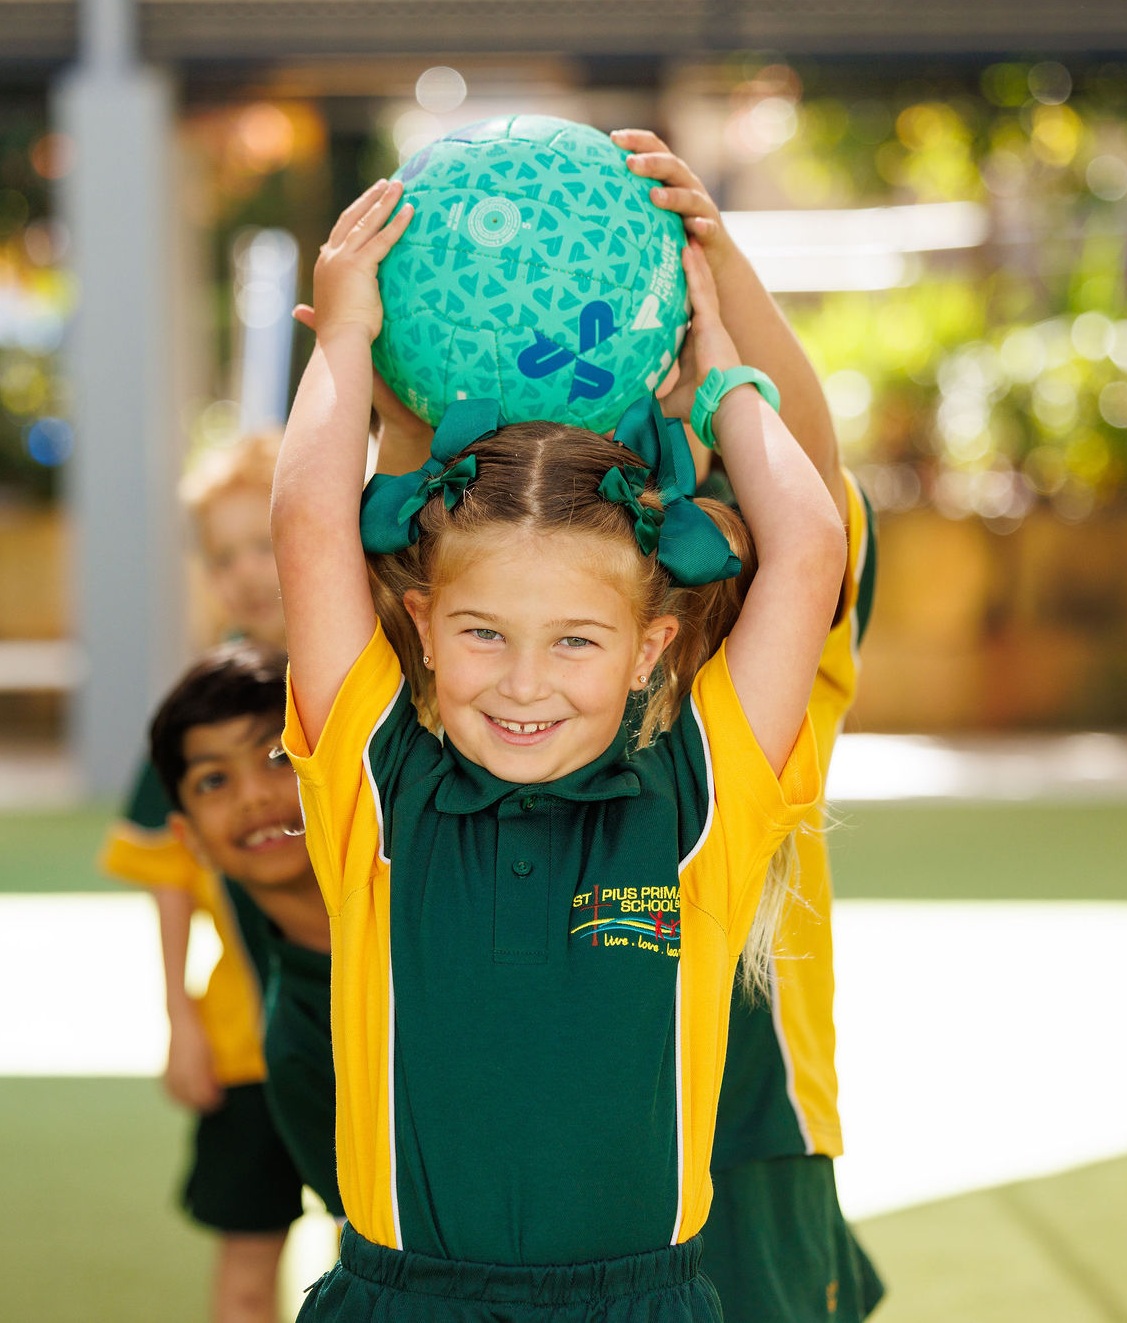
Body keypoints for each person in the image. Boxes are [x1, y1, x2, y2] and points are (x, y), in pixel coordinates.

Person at [270, 175, 845, 1321]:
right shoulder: (379, 788)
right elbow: (309, 523)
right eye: (484, 634)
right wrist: (342, 336)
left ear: (649, 651)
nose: (525, 683)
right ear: (424, 632)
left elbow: (809, 546)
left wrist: (718, 363)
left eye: (576, 640)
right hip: (401, 1302)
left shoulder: (701, 797)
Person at [614, 128, 884, 1320]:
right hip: (564, 1117)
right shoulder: (522, 672)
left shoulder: (774, 674)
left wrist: (717, 275)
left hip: (750, 1112)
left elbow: (810, 487)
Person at [100, 432, 307, 1323]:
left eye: (263, 543)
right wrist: (179, 1017)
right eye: (222, 556)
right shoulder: (200, 708)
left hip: (364, 1030)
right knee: (248, 1268)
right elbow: (168, 871)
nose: (247, 573)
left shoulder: (360, 678)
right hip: (247, 1042)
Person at [147, 640, 343, 1224]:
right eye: (213, 781)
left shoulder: (440, 919)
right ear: (192, 842)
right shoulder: (293, 1049)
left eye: (278, 757)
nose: (254, 795)